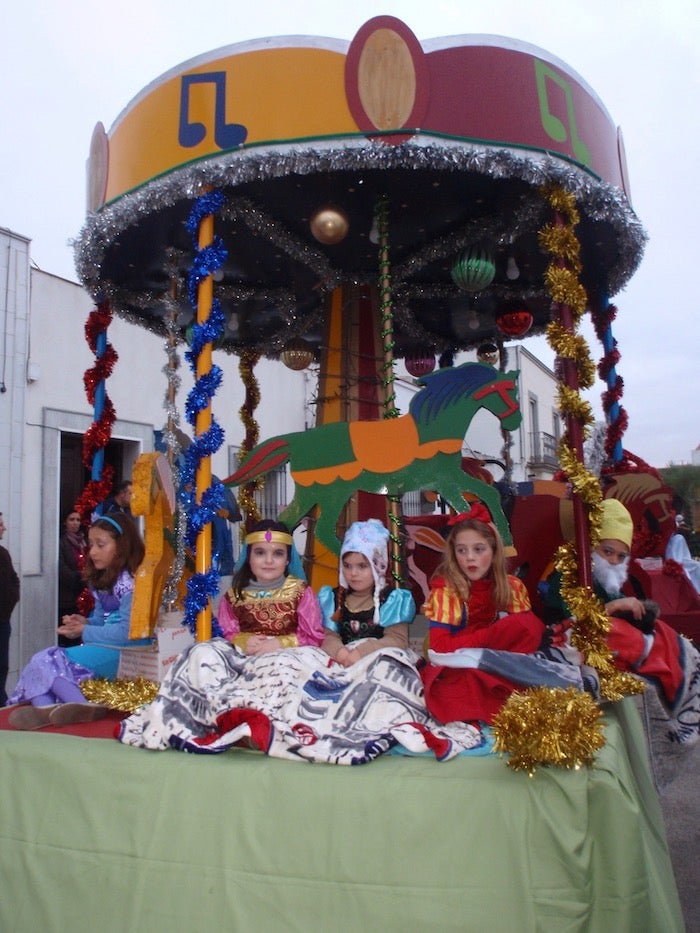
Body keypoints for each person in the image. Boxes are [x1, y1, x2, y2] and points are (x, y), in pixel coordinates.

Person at [541, 498, 700, 746]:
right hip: (576, 650)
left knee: (663, 638)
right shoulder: (566, 576)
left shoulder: (608, 582)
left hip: (614, 651)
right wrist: (615, 608)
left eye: (620, 555)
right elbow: (575, 626)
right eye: (607, 552)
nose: (614, 561)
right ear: (591, 546)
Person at [8, 512, 151, 729]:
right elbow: (101, 621)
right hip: (108, 647)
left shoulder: (131, 582)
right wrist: (84, 622)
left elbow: (127, 634)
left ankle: (79, 705)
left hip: (129, 653)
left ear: (122, 546)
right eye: (91, 544)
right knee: (40, 661)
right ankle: (46, 711)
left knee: (45, 660)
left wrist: (84, 631)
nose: (92, 552)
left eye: (100, 545)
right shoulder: (104, 578)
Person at [420, 503, 550, 725]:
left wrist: (501, 641)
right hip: (454, 664)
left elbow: (529, 633)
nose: (470, 558)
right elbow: (439, 647)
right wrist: (492, 635)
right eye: (462, 550)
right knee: (464, 689)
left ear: (494, 551)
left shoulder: (511, 586)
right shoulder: (447, 591)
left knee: (527, 625)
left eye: (479, 549)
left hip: (497, 659)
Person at [318, 518, 416, 666]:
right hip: (342, 661)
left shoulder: (391, 599)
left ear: (378, 565)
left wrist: (362, 652)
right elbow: (326, 635)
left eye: (362, 566)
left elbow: (397, 640)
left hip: (378, 662)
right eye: (347, 566)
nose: (353, 573)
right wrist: (340, 652)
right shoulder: (332, 598)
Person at [217, 519, 324, 653]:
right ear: (248, 557)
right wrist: (243, 641)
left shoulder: (301, 593)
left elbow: (313, 636)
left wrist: (281, 643)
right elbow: (224, 633)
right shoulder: (233, 596)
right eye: (260, 553)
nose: (269, 561)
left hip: (289, 659)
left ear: (287, 559)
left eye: (278, 554)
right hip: (245, 658)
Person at [57, 508, 87, 647]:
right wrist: (80, 577)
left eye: (78, 520)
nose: (75, 523)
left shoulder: (84, 542)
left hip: (84, 596)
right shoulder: (62, 542)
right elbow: (61, 568)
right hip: (68, 595)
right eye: (72, 520)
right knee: (68, 635)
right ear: (65, 522)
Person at [0, 512, 20, 706]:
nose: (4, 528)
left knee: (2, 666)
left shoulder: (3, 553)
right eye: (0, 524)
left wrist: (12, 599)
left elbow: (14, 580)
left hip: (3, 621)